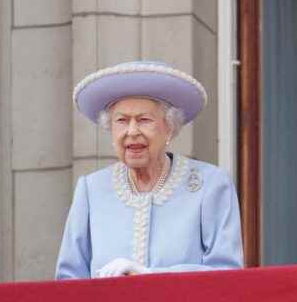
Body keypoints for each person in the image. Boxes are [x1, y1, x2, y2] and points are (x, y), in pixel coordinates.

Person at [56, 61, 244, 279]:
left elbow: (227, 274)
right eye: (121, 121)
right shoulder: (91, 189)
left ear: (169, 128)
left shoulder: (210, 184)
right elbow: (68, 280)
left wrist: (148, 275)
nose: (132, 131)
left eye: (144, 120)